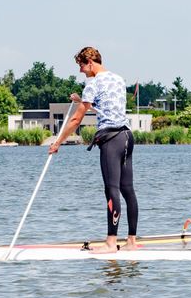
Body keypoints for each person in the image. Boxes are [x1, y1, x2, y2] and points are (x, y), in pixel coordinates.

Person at [48, 46, 139, 252]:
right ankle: (132, 242)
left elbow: (76, 119)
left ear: (90, 62)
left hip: (111, 139)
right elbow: (107, 106)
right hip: (126, 137)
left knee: (112, 189)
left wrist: (58, 142)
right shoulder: (118, 79)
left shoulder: (93, 83)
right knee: (127, 189)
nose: (80, 70)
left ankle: (111, 242)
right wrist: (82, 102)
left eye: (81, 66)